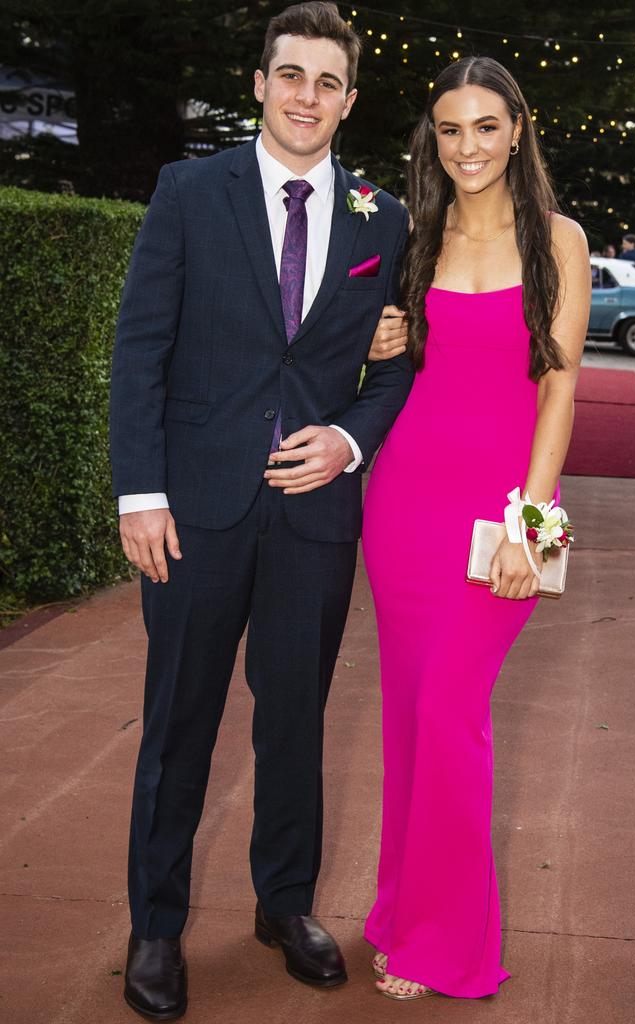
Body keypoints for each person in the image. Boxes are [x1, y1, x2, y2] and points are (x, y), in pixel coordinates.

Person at [109, 3, 413, 1019]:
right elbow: (141, 348)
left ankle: (284, 905)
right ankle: (155, 926)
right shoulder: (191, 192)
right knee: (178, 723)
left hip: (314, 516)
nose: (307, 97)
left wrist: (350, 438)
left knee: (295, 721)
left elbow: (397, 362)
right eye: (291, 75)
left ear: (349, 100)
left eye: (328, 83)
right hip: (195, 509)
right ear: (259, 83)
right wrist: (139, 492)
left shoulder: (385, 217)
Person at [362, 56, 590, 1000]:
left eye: (487, 127)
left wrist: (525, 528)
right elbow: (389, 368)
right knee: (411, 717)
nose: (468, 148)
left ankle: (445, 941)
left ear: (518, 131)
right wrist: (379, 337)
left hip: (504, 510)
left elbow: (561, 388)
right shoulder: (417, 235)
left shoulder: (560, 239)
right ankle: (399, 914)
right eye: (451, 130)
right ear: (434, 138)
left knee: (451, 711)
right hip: (403, 501)